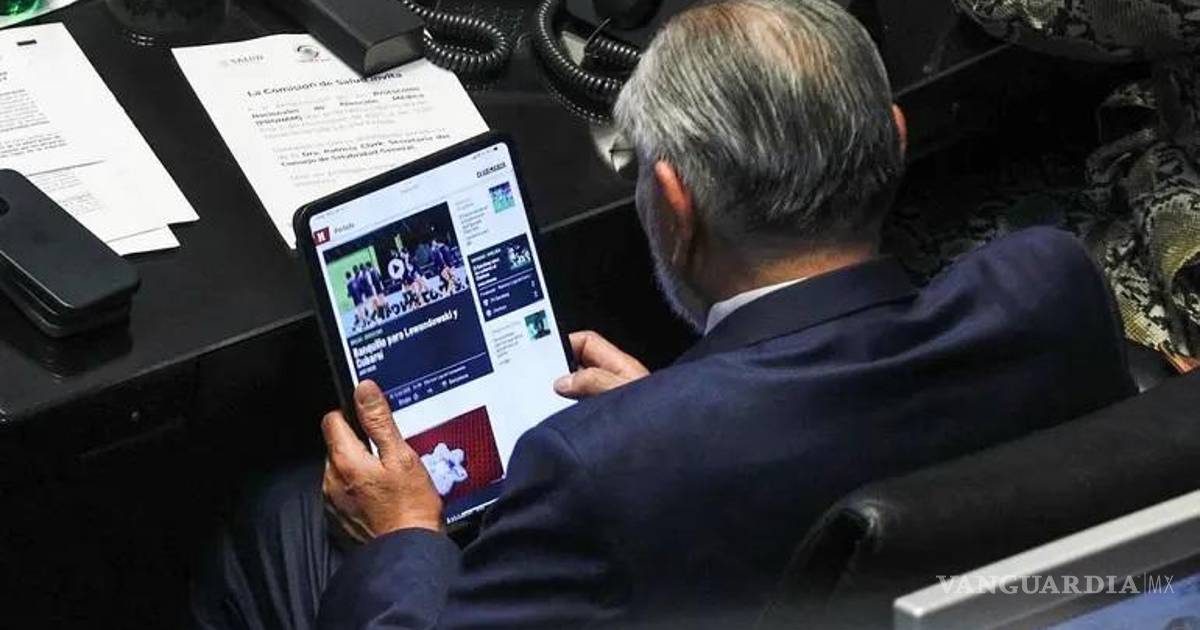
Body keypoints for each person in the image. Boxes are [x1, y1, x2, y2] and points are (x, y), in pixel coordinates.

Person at [191, 1, 1136, 628]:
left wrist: (403, 534)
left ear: (677, 210)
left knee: (278, 518)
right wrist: (675, 411)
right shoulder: (1048, 289)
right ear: (893, 138)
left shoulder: (596, 466)